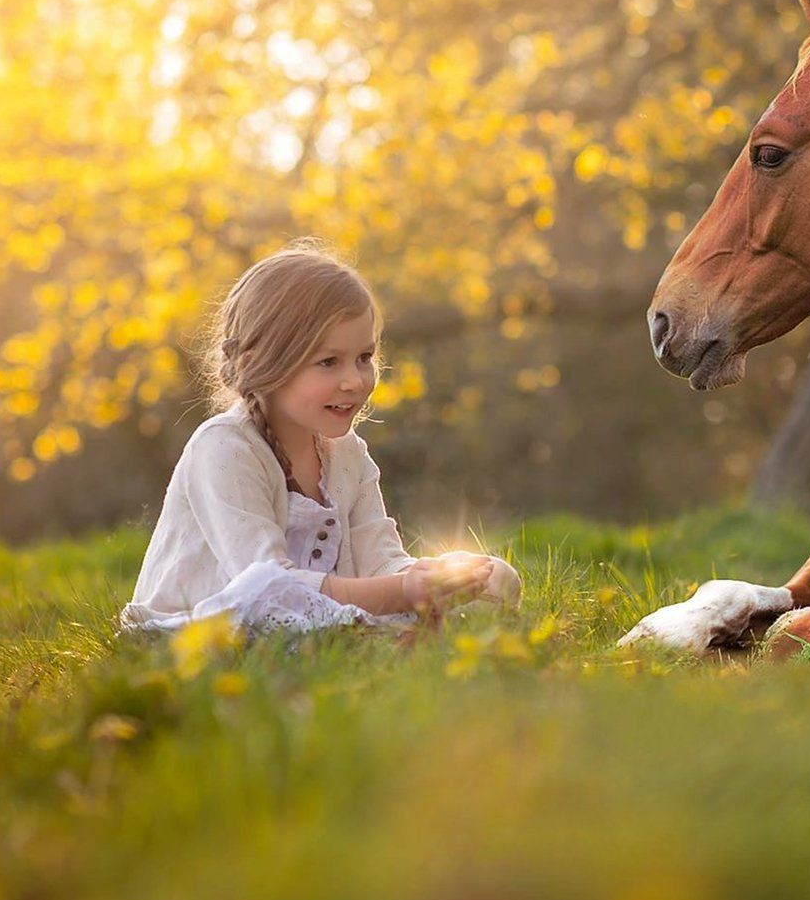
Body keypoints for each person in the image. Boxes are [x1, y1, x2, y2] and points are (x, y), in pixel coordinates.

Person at [119, 240, 518, 634]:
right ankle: (378, 633)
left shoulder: (348, 454)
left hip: (317, 617)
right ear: (260, 363)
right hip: (208, 629)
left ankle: (387, 631)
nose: (354, 381)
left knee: (495, 577)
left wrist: (434, 580)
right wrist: (401, 592)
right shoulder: (224, 448)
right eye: (328, 362)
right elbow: (266, 590)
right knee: (266, 591)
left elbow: (380, 561)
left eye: (364, 358)